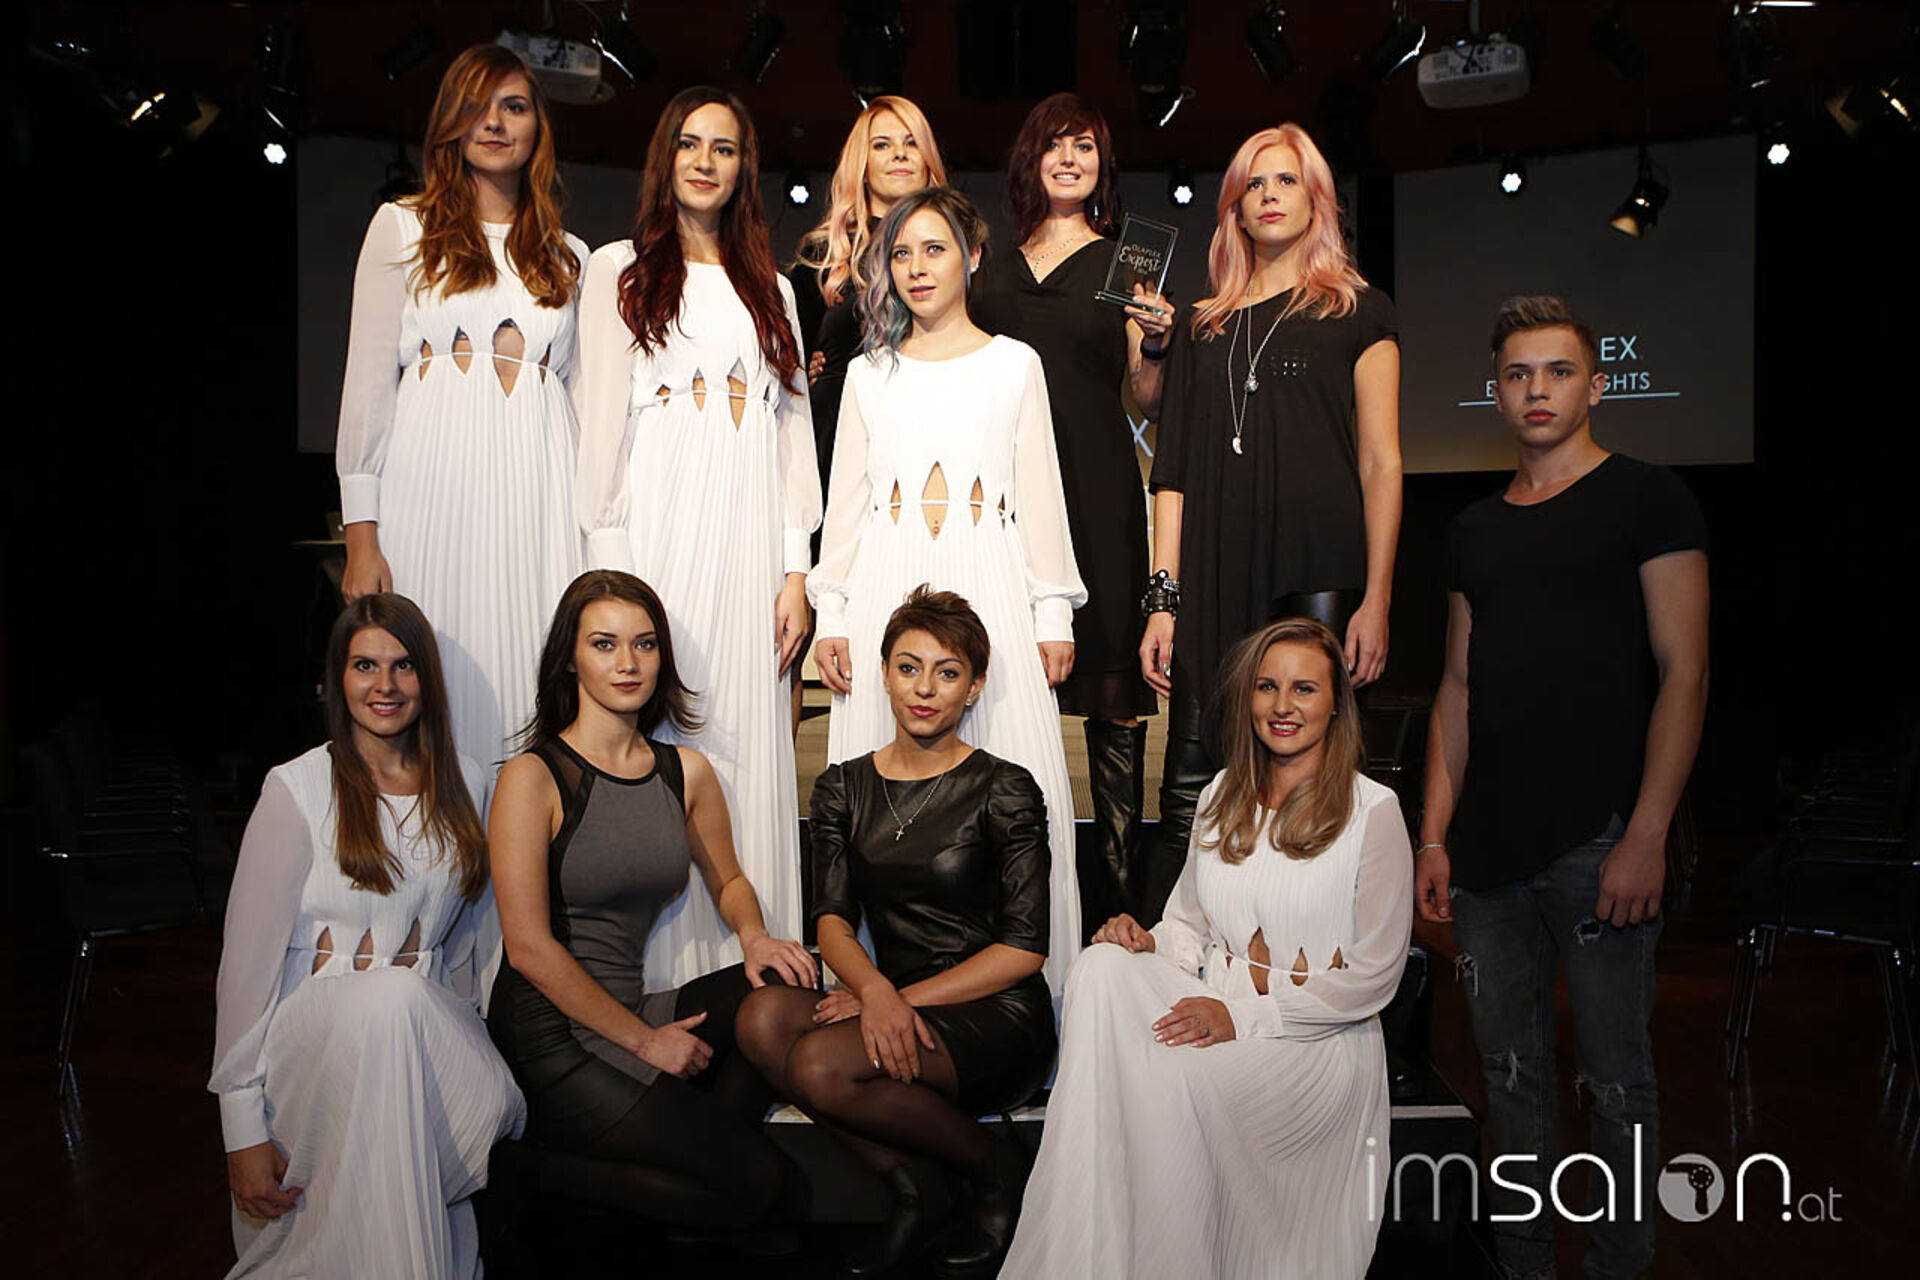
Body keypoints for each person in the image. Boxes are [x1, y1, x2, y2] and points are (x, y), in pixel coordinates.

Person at [1415, 296, 1709, 1280]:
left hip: (1601, 840)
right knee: (1509, 1079)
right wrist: (1434, 836)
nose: (1536, 390)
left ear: (1595, 384)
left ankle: (1621, 1266)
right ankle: (1525, 1265)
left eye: (1557, 371)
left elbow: (1685, 673)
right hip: (1488, 856)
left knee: (1617, 1082)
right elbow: (1456, 687)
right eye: (1517, 374)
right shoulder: (1473, 527)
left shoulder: (1648, 497)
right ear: (1496, 392)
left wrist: (1647, 833)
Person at [1004, 617, 1413, 1279]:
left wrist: (1244, 1017)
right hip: (1214, 1007)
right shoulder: (1222, 792)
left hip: (1312, 1045)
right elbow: (1188, 927)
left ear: (1337, 702)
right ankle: (1097, 1255)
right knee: (1101, 968)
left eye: (1304, 688)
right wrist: (1145, 941)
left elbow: (1375, 978)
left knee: (1166, 1079)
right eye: (1267, 687)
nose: (1282, 706)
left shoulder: (1373, 811)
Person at [809, 185, 1086, 1000]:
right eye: (900, 253)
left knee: (1013, 768)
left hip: (991, 584)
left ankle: (1031, 1012)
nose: (917, 268)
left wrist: (1052, 610)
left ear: (971, 256)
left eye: (933, 249)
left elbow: (1040, 496)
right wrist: (831, 612)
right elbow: (847, 506)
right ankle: (872, 1004)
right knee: (879, 792)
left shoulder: (1015, 365)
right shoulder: (869, 375)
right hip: (882, 587)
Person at [572, 86, 820, 985]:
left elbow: (794, 438)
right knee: (664, 743)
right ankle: (664, 984)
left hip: (750, 548)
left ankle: (759, 972)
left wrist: (796, 573)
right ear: (665, 158)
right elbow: (600, 426)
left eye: (724, 147)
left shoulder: (774, 290)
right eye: (689, 143)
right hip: (657, 541)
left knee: (746, 745)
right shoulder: (619, 270)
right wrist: (613, 582)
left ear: (744, 167)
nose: (705, 161)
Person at [487, 570, 817, 1237]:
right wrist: (646, 1045)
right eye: (604, 644)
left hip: (632, 1008)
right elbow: (527, 948)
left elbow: (728, 880)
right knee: (762, 1183)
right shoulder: (533, 776)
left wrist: (754, 935)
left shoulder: (684, 773)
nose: (628, 663)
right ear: (570, 658)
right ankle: (524, 1174)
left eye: (644, 644)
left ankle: (684, 1164)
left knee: (785, 984)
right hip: (552, 1033)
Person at [739, 587, 1055, 1278]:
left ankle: (994, 1168)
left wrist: (892, 1001)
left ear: (974, 687)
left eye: (948, 672)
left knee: (819, 1065)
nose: (925, 688)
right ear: (883, 673)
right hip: (891, 1003)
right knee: (762, 1019)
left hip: (994, 1018)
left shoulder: (1005, 788)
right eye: (909, 667)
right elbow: (831, 920)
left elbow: (1024, 950)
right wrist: (875, 990)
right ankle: (916, 1189)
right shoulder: (842, 787)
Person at [210, 593, 525, 1278]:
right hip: (310, 1040)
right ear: (337, 679)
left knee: (401, 1006)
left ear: (427, 678)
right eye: (365, 666)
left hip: (423, 1036)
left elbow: (473, 943)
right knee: (389, 1000)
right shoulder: (295, 788)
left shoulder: (468, 781)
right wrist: (241, 1127)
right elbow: (246, 969)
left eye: (403, 665)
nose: (385, 685)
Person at [1139, 122, 1401, 921]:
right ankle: (1166, 952)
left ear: (1316, 199)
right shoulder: (1201, 324)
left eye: (1287, 180)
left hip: (1318, 567)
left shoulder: (1360, 311)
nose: (1270, 196)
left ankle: (1306, 950)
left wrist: (1378, 598)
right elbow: (1172, 473)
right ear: (1235, 208)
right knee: (1190, 785)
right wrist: (1162, 599)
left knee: (1313, 779)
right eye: (1255, 184)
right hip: (1214, 569)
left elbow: (1381, 462)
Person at [335, 43, 587, 767]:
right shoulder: (402, 228)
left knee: (532, 688)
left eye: (514, 106)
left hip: (539, 507)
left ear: (538, 126)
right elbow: (365, 391)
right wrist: (362, 538)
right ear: (450, 120)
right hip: (432, 502)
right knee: (433, 687)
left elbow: (578, 404)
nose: (495, 123)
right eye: (477, 107)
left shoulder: (569, 255)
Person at [971, 92, 1174, 933]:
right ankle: (1004, 906)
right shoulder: (989, 269)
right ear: (1031, 160)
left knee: (1111, 699)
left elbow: (1146, 397)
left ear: (1102, 165)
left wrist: (1155, 343)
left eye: (1084, 146)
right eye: (1054, 144)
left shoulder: (1130, 261)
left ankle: (1120, 909)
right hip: (1003, 500)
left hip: (1094, 491)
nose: (1068, 158)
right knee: (994, 691)